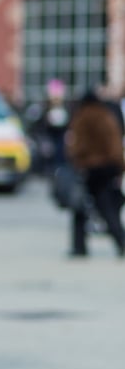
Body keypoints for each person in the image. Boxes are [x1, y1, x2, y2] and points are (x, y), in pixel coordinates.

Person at [65, 88, 125, 257]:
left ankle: (79, 246)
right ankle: (121, 241)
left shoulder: (83, 118)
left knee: (80, 209)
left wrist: (76, 159)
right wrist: (119, 168)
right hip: (107, 168)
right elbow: (115, 145)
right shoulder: (106, 116)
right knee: (107, 209)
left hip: (88, 169)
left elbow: (77, 146)